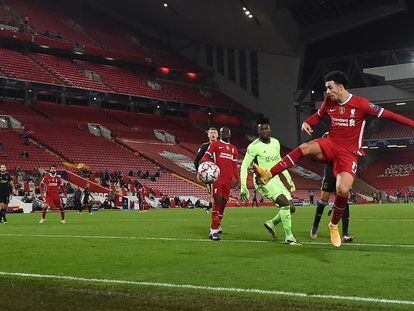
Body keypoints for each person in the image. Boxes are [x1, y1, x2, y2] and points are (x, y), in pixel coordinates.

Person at [253, 70, 414, 247]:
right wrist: (308, 122)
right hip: (330, 144)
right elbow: (319, 115)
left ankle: (333, 225)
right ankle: (269, 174)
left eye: (329, 88)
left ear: (340, 87)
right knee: (304, 147)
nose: (327, 92)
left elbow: (392, 115)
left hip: (349, 153)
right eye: (326, 88)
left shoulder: (362, 104)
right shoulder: (329, 101)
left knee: (343, 190)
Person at [240, 119, 299, 245]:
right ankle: (289, 236)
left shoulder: (276, 143)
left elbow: (280, 163)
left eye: (266, 128)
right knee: (285, 204)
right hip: (263, 181)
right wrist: (243, 186)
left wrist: (289, 179)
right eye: (262, 129)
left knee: (292, 208)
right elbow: (244, 166)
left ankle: (271, 224)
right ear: (258, 131)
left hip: (276, 179)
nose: (265, 131)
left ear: (270, 129)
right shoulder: (253, 147)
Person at [200, 127, 239, 241]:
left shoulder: (233, 149)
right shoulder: (215, 145)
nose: (225, 134)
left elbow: (234, 166)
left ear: (230, 134)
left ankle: (217, 224)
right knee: (217, 201)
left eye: (227, 132)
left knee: (223, 202)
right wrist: (210, 167)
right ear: (220, 134)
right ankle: (213, 230)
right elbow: (205, 158)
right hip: (217, 179)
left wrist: (237, 179)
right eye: (222, 132)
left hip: (228, 180)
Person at [311, 160, 353, 243]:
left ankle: (345, 234)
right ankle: (315, 226)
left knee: (344, 200)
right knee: (323, 200)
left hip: (343, 173)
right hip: (330, 174)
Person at [194, 127, 219, 214]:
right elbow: (196, 160)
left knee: (221, 195)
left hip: (221, 173)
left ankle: (214, 210)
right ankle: (215, 213)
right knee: (214, 194)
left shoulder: (221, 146)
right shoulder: (204, 146)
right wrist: (199, 172)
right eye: (211, 133)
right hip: (210, 175)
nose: (213, 134)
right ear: (208, 135)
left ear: (218, 135)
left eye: (215, 133)